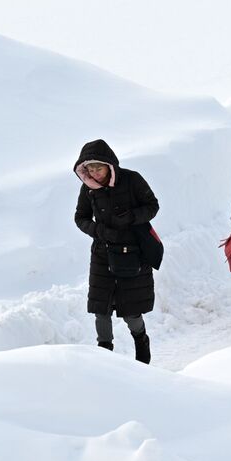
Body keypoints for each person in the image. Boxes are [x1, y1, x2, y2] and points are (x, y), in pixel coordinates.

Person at [73, 139, 159, 363]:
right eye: (89, 169)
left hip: (133, 252)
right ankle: (105, 357)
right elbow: (80, 218)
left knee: (131, 310)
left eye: (98, 168)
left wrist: (131, 217)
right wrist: (98, 230)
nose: (94, 173)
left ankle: (141, 343)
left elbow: (152, 206)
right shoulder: (88, 188)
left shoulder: (132, 179)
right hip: (102, 253)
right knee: (101, 308)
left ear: (109, 165)